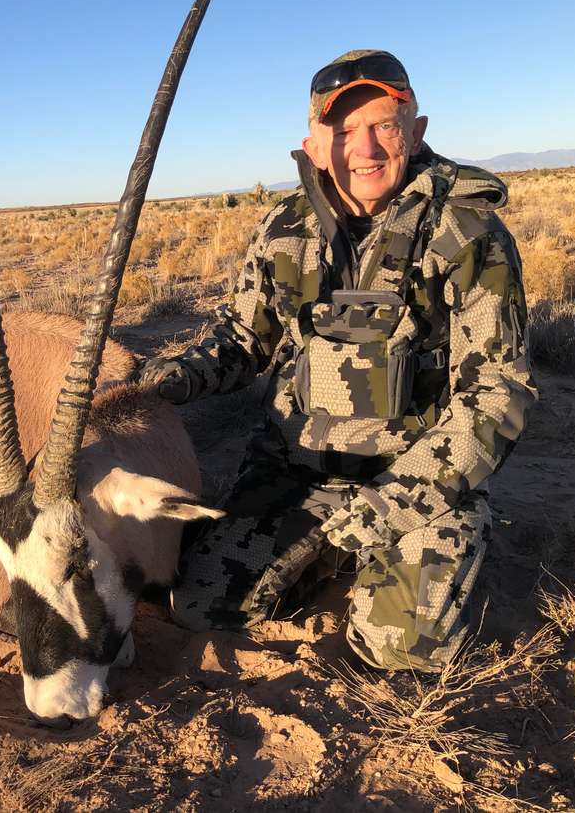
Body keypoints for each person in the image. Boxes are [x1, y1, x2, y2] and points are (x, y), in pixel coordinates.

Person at [140, 50, 537, 672]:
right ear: (313, 145)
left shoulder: (469, 231)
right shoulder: (282, 227)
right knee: (199, 605)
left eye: (385, 124)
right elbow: (244, 337)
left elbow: (498, 392)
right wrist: (169, 381)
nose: (368, 148)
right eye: (344, 130)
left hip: (415, 485)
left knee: (402, 650)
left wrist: (390, 504)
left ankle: (423, 547)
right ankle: (328, 551)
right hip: (294, 476)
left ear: (418, 130)